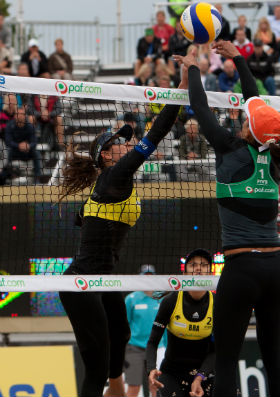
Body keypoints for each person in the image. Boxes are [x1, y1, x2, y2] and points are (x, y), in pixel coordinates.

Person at [174, 40, 280, 396]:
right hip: (276, 268)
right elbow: (255, 100)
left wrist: (194, 65)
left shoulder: (229, 148)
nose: (243, 116)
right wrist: (240, 59)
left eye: (246, 118)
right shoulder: (272, 157)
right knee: (274, 356)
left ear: (247, 129)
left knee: (226, 358)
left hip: (242, 269)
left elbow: (198, 103)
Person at [58, 71, 188, 397]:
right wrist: (181, 87)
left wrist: (87, 218)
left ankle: (115, 391)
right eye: (121, 140)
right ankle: (109, 387)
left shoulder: (108, 186)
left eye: (128, 138)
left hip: (103, 278)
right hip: (81, 283)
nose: (128, 141)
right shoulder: (115, 176)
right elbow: (156, 133)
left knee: (121, 331)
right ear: (106, 154)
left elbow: (85, 220)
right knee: (97, 365)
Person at [146, 248, 215, 397]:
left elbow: (217, 350)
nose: (198, 268)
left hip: (204, 374)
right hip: (172, 373)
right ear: (184, 274)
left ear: (210, 274)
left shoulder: (217, 305)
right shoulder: (170, 301)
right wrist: (151, 369)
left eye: (203, 265)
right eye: (193, 265)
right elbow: (152, 342)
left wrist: (200, 377)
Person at [125, 264, 167, 397]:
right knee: (134, 387)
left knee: (155, 385)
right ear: (140, 278)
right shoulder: (131, 299)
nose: (148, 279)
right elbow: (125, 325)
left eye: (150, 276)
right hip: (135, 348)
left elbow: (166, 325)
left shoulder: (162, 299)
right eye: (145, 277)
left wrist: (166, 346)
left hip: (157, 348)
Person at [5, 106, 41, 183]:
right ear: (15, 115)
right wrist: (18, 145)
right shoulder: (9, 126)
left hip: (27, 152)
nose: (20, 116)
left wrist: (28, 146)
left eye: (22, 114)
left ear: (25, 115)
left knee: (36, 153)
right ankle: (7, 176)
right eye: (18, 114)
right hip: (15, 151)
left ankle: (37, 178)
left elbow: (34, 142)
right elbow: (8, 142)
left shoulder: (30, 126)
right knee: (7, 152)